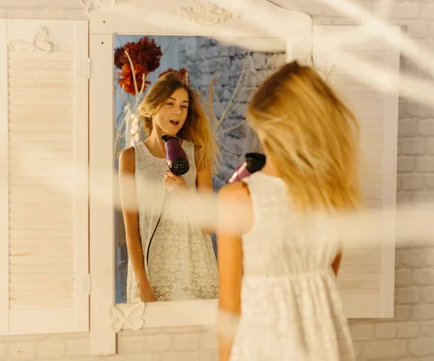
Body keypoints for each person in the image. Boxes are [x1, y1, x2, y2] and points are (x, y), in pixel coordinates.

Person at [217, 61, 358, 360]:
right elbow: (325, 280)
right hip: (324, 345)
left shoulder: (238, 198)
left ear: (268, 129)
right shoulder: (335, 196)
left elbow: (229, 308)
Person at [118, 72, 219, 303]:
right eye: (170, 104)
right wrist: (142, 282)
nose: (178, 112)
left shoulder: (199, 154)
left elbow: (209, 226)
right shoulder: (130, 158)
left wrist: (184, 193)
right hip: (153, 271)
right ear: (153, 107)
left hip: (196, 269)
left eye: (184, 106)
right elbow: (131, 230)